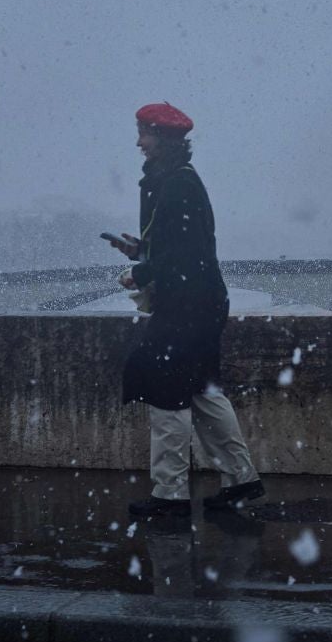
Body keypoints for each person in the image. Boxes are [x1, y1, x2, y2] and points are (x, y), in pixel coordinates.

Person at [107, 102, 265, 520]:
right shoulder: (178, 181)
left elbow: (183, 253)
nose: (139, 142)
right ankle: (240, 478)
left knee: (165, 389)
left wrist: (140, 274)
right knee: (202, 389)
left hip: (186, 305)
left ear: (166, 139)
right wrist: (140, 250)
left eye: (145, 134)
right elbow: (182, 246)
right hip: (201, 302)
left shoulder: (177, 186)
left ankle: (170, 495)